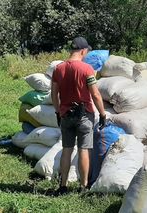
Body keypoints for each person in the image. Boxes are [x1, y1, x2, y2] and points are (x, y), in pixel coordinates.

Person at [51, 36, 106, 196]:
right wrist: (102, 114)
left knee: (66, 149)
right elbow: (95, 94)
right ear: (83, 51)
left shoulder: (58, 69)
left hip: (66, 115)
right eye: (86, 51)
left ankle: (63, 186)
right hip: (84, 115)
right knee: (84, 149)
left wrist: (57, 112)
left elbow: (54, 94)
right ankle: (83, 187)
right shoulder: (87, 69)